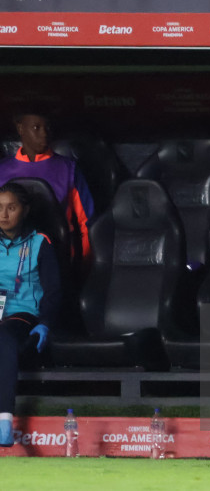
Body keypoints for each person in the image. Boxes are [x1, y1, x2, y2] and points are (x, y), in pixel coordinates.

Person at [0, 183, 61, 447]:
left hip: (22, 314)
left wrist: (45, 322)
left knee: (4, 338)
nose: (3, 214)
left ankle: (4, 420)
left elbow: (54, 289)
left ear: (24, 210)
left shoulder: (40, 242)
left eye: (11, 208)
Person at [0, 111, 94, 259]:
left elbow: (87, 222)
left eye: (47, 128)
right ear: (20, 129)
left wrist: (84, 263)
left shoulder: (68, 168)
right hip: (8, 259)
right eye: (36, 128)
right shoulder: (3, 170)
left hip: (58, 256)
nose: (44, 134)